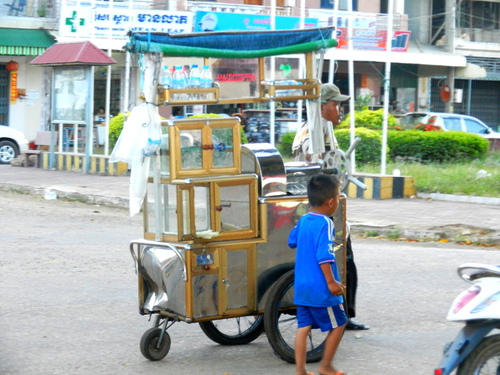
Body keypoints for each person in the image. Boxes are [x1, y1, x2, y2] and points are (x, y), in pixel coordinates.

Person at [292, 83, 369, 331]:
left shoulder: (317, 129)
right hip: (322, 208)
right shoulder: (314, 131)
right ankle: (343, 315)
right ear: (321, 106)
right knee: (343, 261)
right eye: (335, 104)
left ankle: (340, 312)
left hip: (319, 204)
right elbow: (314, 164)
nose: (339, 109)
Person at [288, 174, 346, 375]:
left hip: (301, 286)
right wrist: (332, 282)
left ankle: (301, 370)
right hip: (320, 288)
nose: (338, 200)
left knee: (303, 327)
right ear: (331, 202)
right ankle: (325, 365)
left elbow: (291, 240)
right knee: (339, 323)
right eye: (338, 196)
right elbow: (324, 256)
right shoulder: (326, 223)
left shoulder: (304, 219)